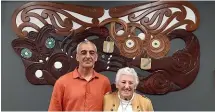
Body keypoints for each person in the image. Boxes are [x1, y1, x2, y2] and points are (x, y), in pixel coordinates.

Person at [48, 40, 111, 111]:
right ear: (77, 57)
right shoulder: (62, 82)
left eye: (91, 53)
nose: (88, 56)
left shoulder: (104, 82)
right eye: (83, 53)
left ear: (96, 57)